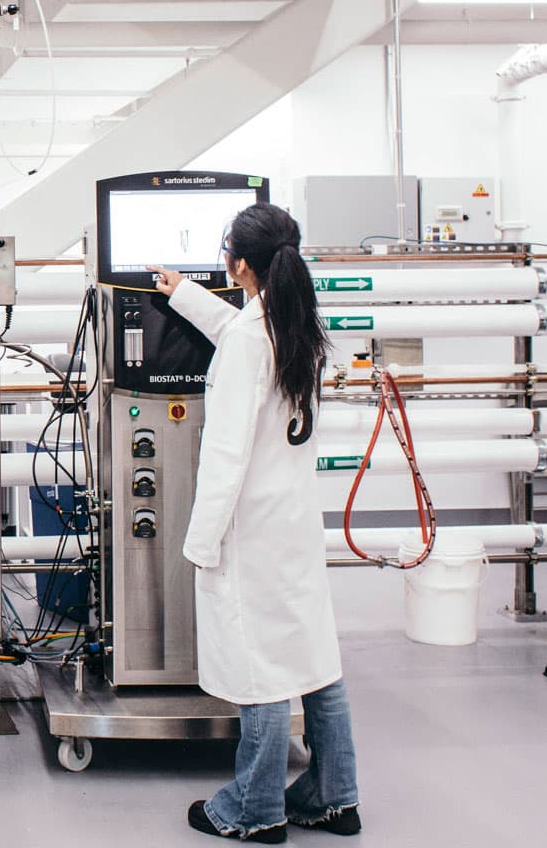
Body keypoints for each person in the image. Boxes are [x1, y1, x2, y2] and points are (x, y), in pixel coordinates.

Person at [150, 204, 361, 843]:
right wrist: (184, 294)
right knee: (314, 657)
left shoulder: (250, 339)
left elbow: (226, 457)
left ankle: (255, 808)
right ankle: (335, 796)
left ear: (241, 264)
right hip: (294, 522)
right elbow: (246, 334)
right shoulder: (297, 322)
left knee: (259, 665)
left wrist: (200, 542)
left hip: (250, 528)